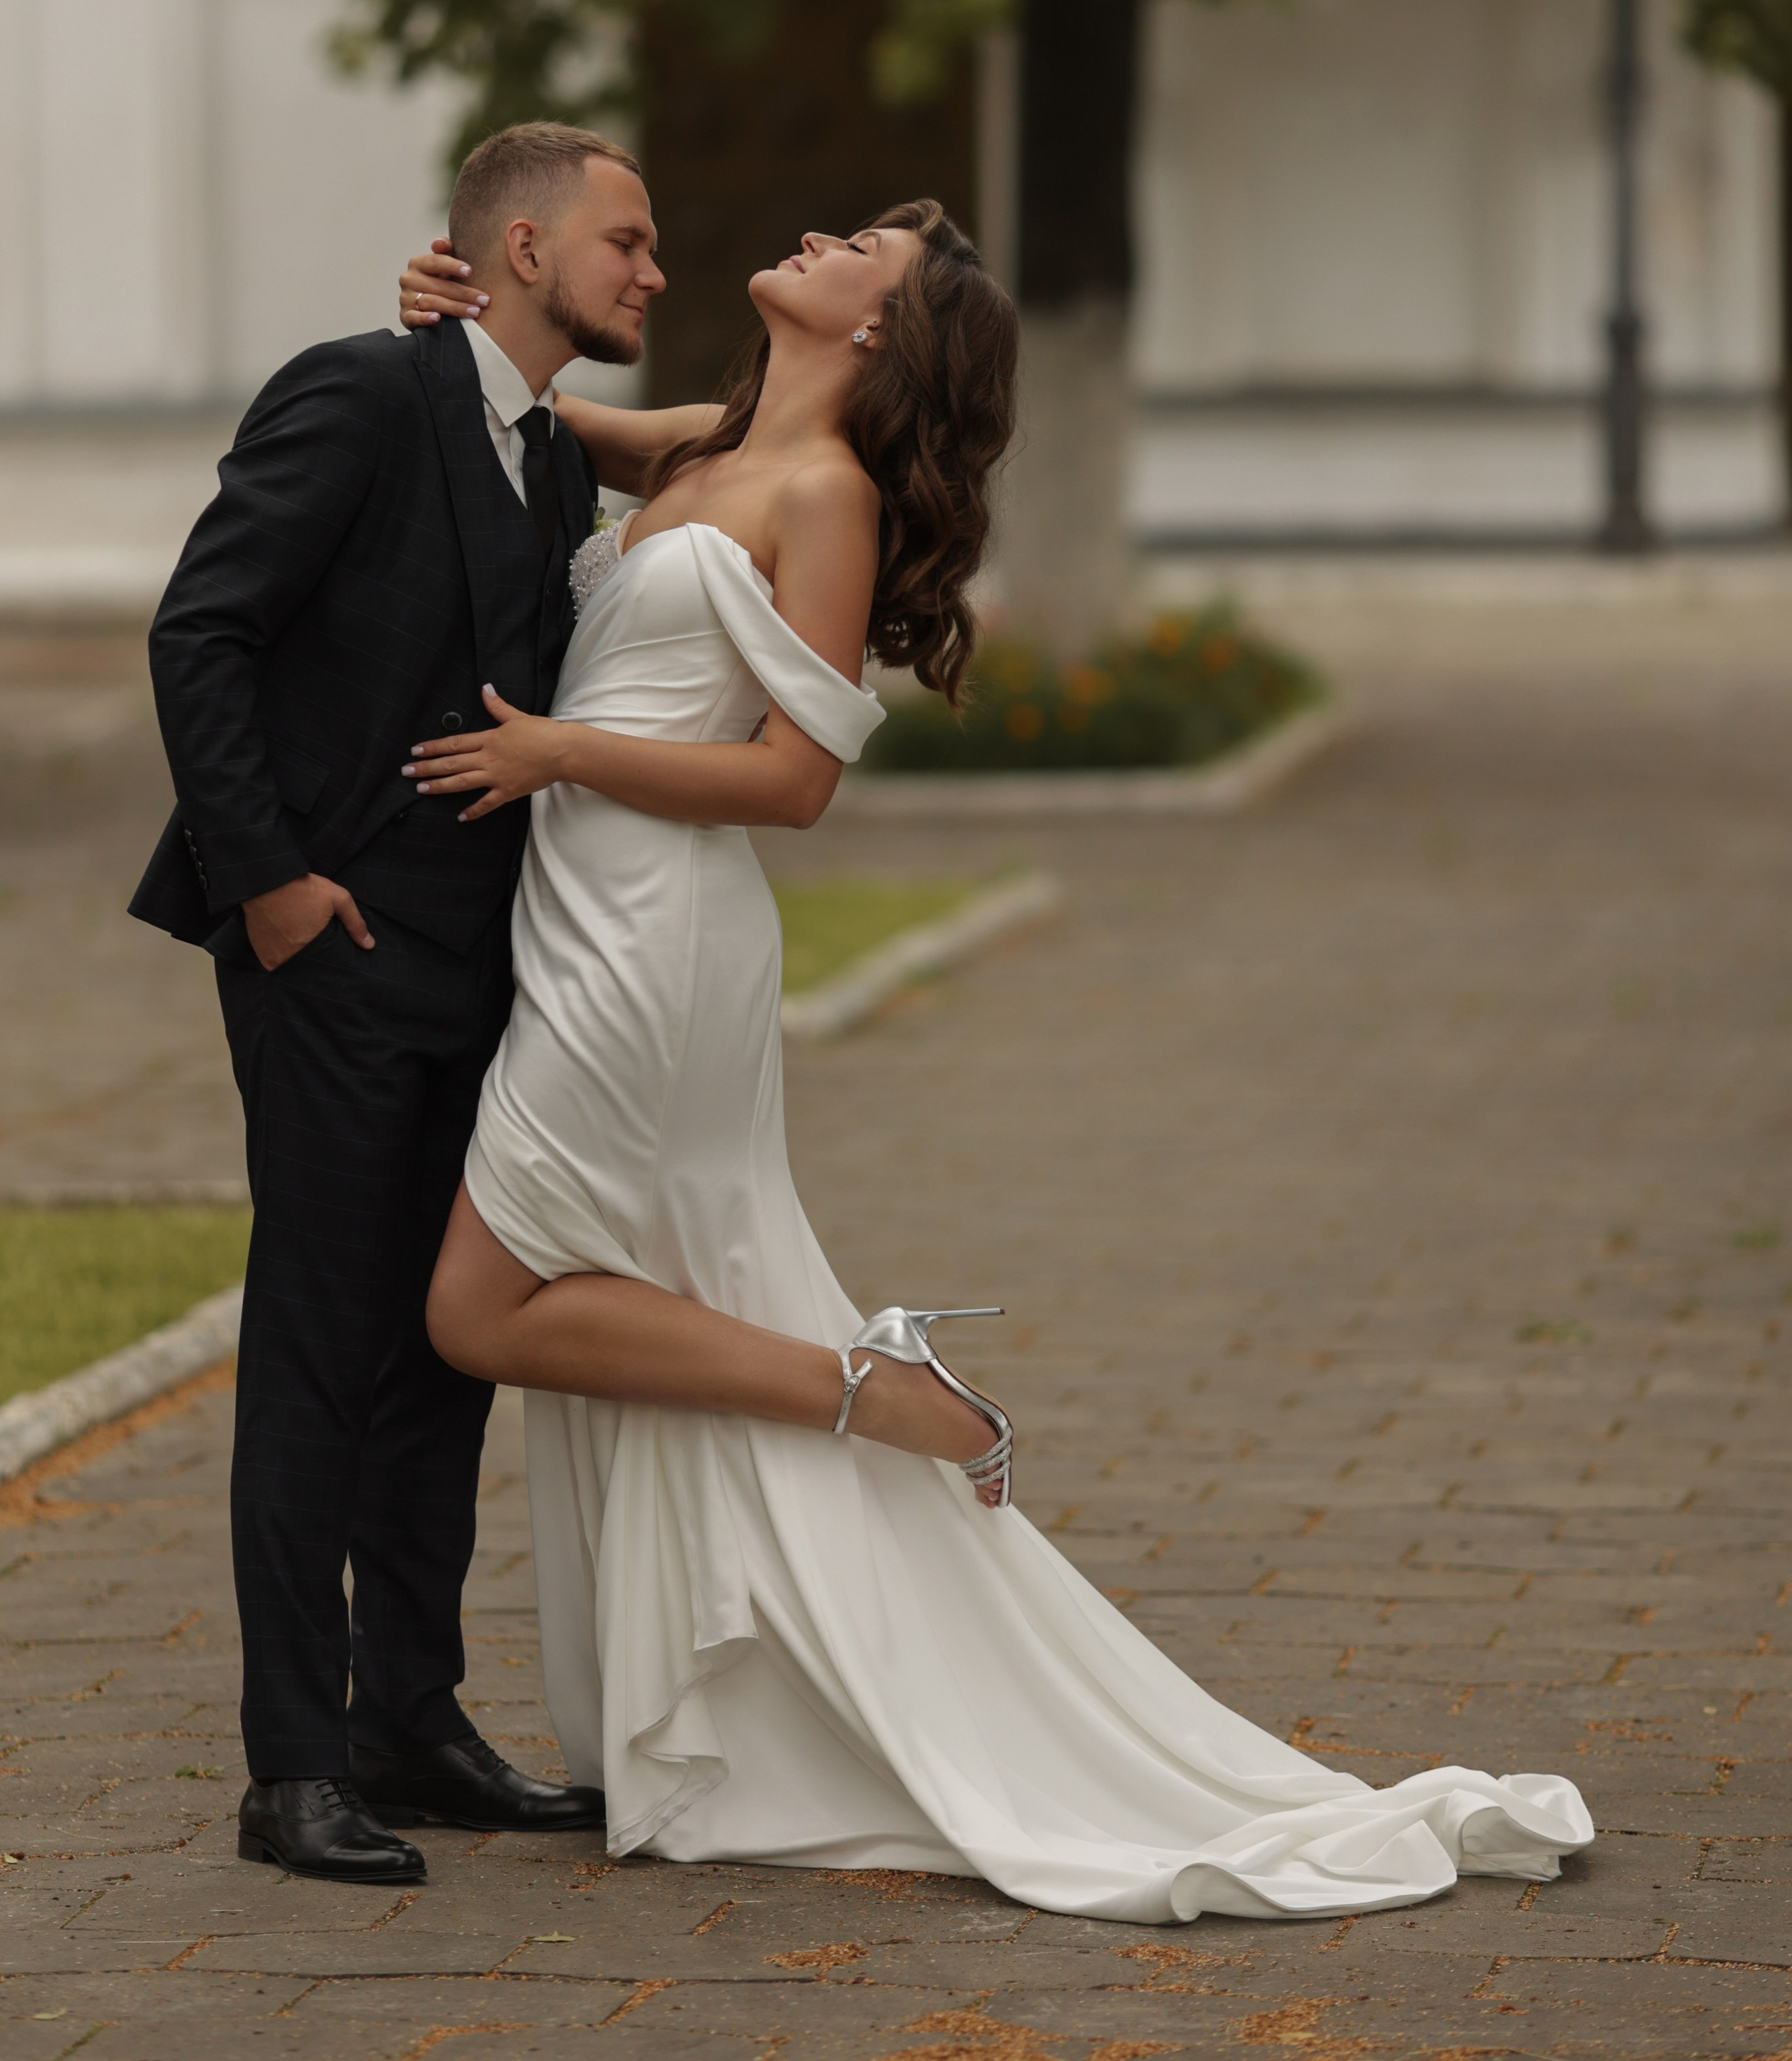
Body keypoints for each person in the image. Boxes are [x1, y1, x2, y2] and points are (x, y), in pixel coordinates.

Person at [390, 204, 1595, 1922]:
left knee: (480, 1309)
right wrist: (442, 308)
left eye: (855, 250)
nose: (811, 239)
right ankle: (790, 1554)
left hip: (654, 947)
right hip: (584, 910)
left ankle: (874, 1395)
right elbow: (518, 414)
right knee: (622, 1278)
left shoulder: (829, 499)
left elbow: (797, 782)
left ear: (877, 331)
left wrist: (557, 749)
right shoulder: (717, 438)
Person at [130, 123, 696, 1885]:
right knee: (314, 1349)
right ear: (520, 249)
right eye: (627, 240)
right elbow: (198, 631)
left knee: (442, 1348)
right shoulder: (359, 394)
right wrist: (275, 889)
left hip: (488, 964)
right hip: (337, 949)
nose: (651, 272)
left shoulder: (540, 455)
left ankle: (409, 1721)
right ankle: (291, 1765)